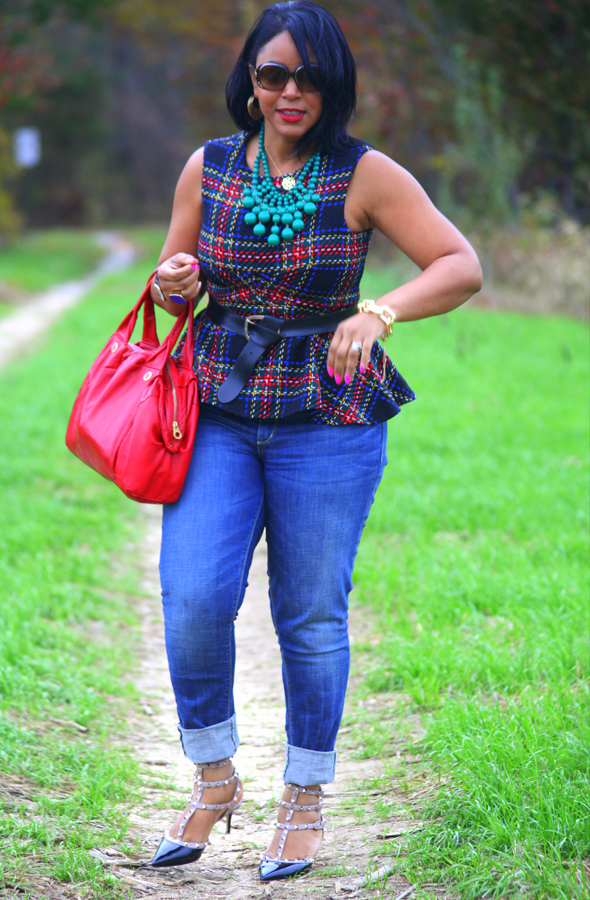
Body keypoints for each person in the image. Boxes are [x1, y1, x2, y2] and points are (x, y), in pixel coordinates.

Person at [147, 0, 482, 882]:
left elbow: (459, 265)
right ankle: (215, 775)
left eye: (310, 75)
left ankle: (304, 794)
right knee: (191, 594)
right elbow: (178, 292)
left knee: (309, 613)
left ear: (333, 83)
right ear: (250, 82)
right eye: (273, 74)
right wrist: (172, 279)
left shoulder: (365, 175)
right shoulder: (209, 167)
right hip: (219, 405)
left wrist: (379, 311)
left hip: (326, 417)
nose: (291, 90)